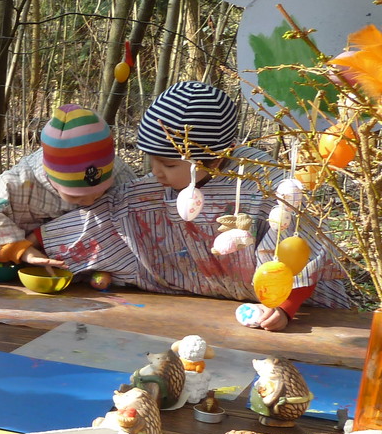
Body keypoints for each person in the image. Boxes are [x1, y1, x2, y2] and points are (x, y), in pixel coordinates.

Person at [38, 81, 351, 329]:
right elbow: (108, 217)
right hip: (199, 313)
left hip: (294, 317)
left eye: (169, 164)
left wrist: (283, 308)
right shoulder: (151, 188)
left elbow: (298, 249)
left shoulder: (265, 186)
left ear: (216, 156)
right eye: (152, 160)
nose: (156, 171)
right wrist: (32, 245)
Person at [0, 104, 134, 267]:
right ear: (51, 178)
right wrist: (22, 250)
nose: (88, 201)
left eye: (98, 192)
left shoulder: (118, 174)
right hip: (23, 273)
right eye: (75, 195)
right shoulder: (21, 181)